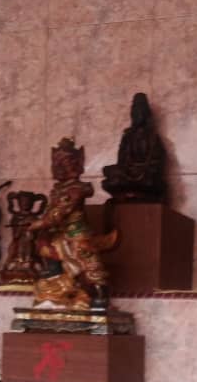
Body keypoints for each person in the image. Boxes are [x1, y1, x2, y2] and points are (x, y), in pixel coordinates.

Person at [30, 138, 116, 309]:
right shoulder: (57, 190)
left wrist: (41, 222)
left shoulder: (78, 189)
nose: (60, 167)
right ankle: (56, 279)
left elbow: (60, 212)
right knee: (44, 244)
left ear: (77, 164)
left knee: (85, 254)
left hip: (76, 231)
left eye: (66, 162)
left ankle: (99, 291)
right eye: (57, 163)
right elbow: (51, 211)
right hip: (58, 233)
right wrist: (39, 225)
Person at [100, 92, 167, 202]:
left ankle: (138, 190)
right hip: (128, 171)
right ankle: (128, 189)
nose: (137, 114)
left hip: (145, 172)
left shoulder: (152, 136)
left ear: (146, 114)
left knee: (152, 179)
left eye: (140, 111)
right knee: (108, 171)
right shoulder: (127, 136)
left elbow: (157, 160)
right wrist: (127, 169)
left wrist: (143, 168)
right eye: (135, 110)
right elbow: (121, 159)